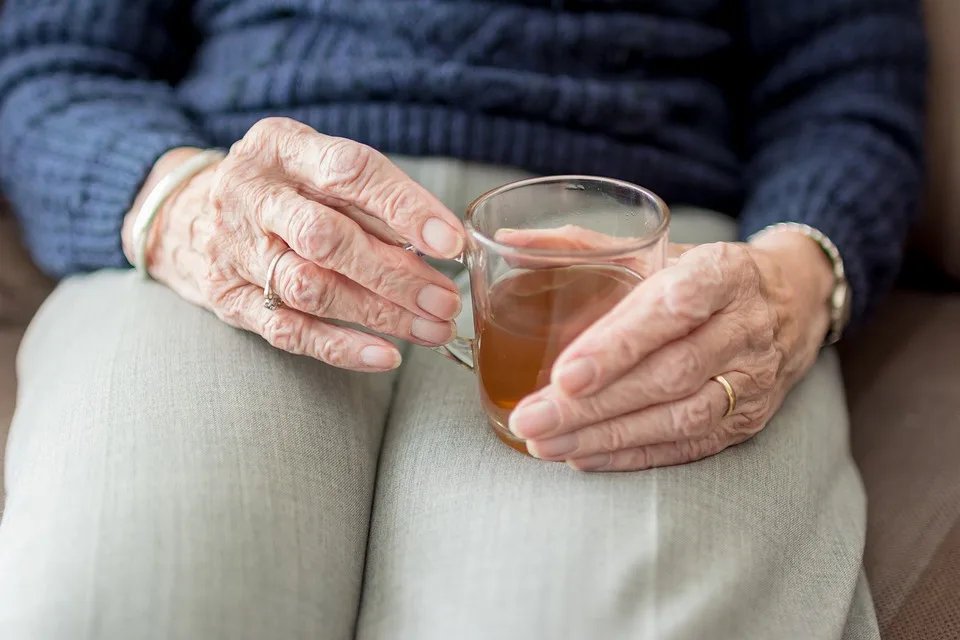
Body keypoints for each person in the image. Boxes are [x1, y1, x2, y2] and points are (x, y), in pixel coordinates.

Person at [0, 0, 925, 638]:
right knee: (126, 600)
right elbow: (47, 63)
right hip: (246, 200)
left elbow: (848, 86)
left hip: (638, 243)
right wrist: (182, 202)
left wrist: (793, 279)